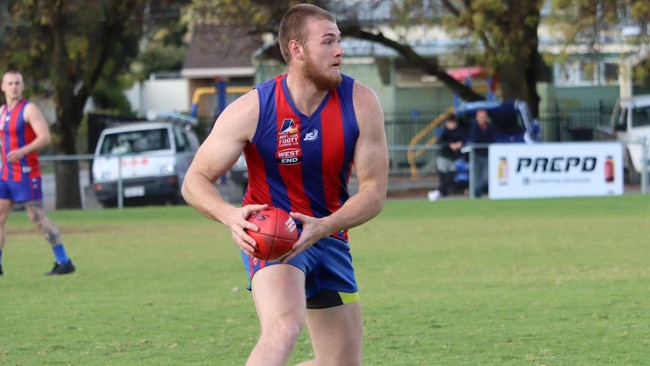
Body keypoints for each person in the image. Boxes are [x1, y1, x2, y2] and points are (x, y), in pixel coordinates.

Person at [181, 4, 388, 365]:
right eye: (328, 42)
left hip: (330, 237)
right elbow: (194, 180)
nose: (339, 50)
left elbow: (373, 192)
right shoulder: (253, 109)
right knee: (283, 326)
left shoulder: (361, 103)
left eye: (339, 40)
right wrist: (231, 217)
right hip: (276, 240)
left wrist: (324, 226)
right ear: (297, 50)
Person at [0, 70, 75, 276]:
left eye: (18, 83)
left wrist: (22, 151)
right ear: (3, 86)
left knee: (37, 217)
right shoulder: (2, 112)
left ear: (22, 87)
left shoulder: (29, 110)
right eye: (10, 83)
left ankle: (64, 261)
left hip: (26, 173)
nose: (14, 87)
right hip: (6, 174)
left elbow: (44, 138)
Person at [428, 114, 464, 201]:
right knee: (443, 177)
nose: (451, 125)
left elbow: (463, 140)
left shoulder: (458, 131)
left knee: (451, 176)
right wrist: (449, 145)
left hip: (452, 158)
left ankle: (438, 192)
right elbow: (441, 143)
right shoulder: (444, 132)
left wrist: (459, 144)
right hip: (443, 157)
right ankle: (444, 194)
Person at [468, 108, 496, 198]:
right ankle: (476, 195)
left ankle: (475, 191)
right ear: (476, 117)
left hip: (487, 155)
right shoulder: (473, 127)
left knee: (486, 177)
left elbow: (492, 140)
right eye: (480, 116)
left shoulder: (491, 127)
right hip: (476, 155)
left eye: (483, 116)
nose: (482, 118)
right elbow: (474, 140)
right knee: (476, 176)